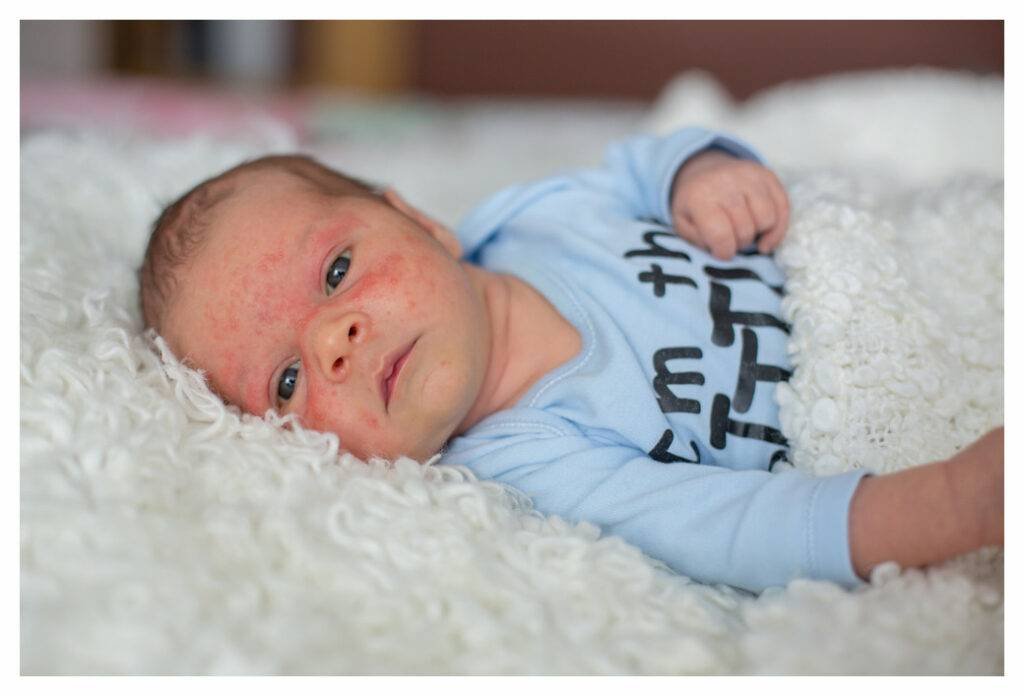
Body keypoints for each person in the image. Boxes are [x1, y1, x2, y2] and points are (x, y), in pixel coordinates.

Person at [138, 127, 1003, 593]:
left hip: (909, 263)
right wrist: (956, 501)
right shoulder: (531, 464)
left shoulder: (533, 218)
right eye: (286, 381)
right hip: (896, 383)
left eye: (336, 270)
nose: (333, 341)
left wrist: (697, 173)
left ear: (426, 223)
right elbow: (740, 527)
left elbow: (636, 167)